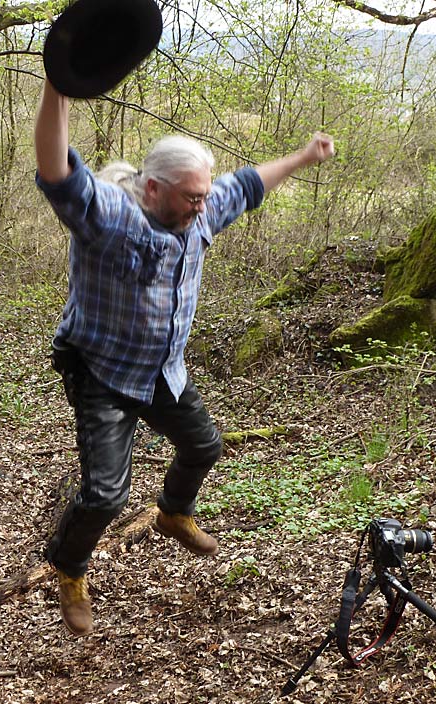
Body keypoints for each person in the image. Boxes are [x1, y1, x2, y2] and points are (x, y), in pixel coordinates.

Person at [34, 79, 335, 635]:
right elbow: (58, 174)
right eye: (191, 197)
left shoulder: (199, 210)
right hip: (101, 371)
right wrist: (60, 88)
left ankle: (174, 512)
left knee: (204, 445)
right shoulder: (109, 219)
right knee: (105, 495)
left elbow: (246, 185)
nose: (203, 206)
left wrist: (302, 156)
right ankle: (69, 568)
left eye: (204, 196)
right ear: (152, 188)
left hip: (162, 370)